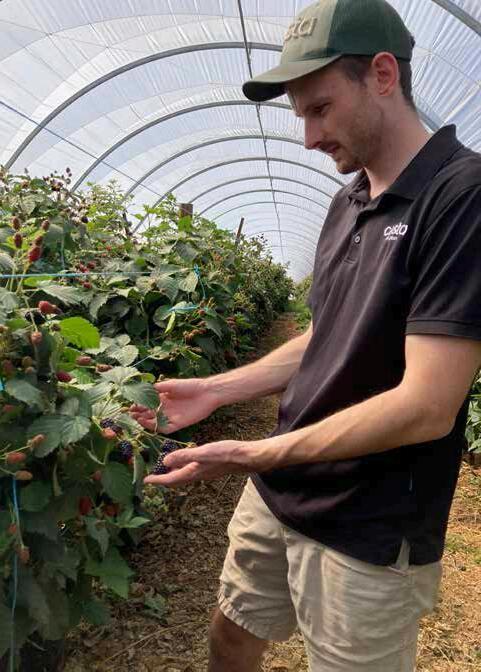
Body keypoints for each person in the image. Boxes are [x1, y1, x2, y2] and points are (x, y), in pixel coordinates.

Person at [132, 0, 481, 669]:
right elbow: (329, 333)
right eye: (300, 115)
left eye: (319, 109)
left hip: (368, 521)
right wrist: (218, 388)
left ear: (382, 75)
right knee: (231, 632)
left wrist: (256, 453)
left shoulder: (460, 196)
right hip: (280, 488)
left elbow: (426, 406)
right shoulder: (347, 201)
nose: (308, 138)